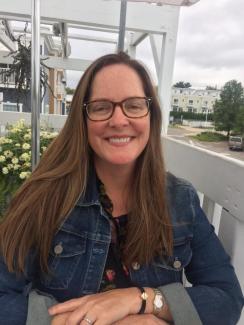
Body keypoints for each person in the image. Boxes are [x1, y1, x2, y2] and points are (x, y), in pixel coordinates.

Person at [0, 52, 243, 325]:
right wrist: (67, 321)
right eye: (102, 107)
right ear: (83, 119)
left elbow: (227, 297)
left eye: (134, 105)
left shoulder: (179, 199)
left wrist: (142, 301)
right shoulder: (43, 197)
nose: (118, 120)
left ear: (151, 116)